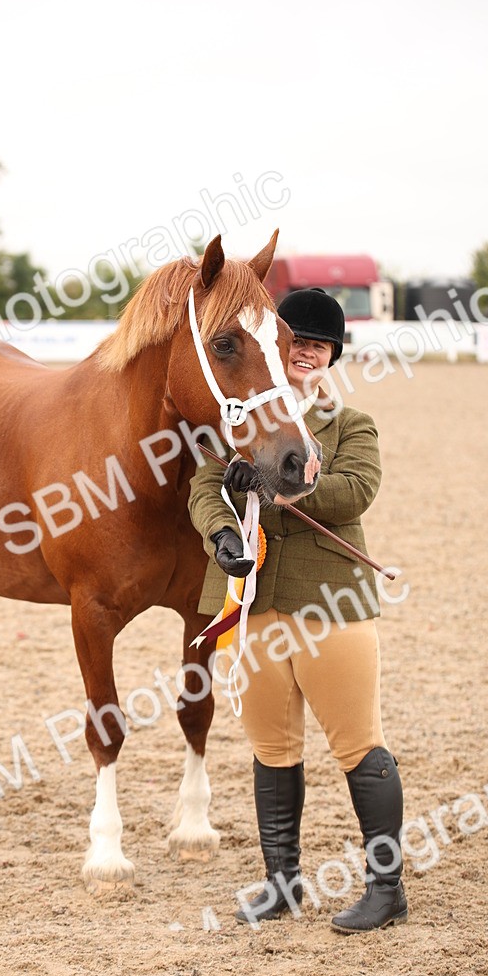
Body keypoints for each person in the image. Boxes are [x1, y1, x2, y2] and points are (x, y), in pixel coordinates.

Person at [188, 288, 407, 934]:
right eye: (296, 343)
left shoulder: (350, 424)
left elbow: (355, 492)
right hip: (253, 602)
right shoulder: (240, 421)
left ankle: (387, 887)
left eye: (318, 345)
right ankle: (282, 883)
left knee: (359, 744)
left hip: (328, 603)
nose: (306, 353)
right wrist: (221, 534)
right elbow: (204, 487)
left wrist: (278, 488)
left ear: (332, 354)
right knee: (272, 746)